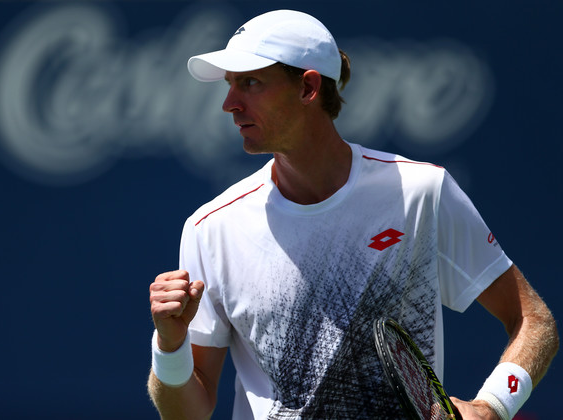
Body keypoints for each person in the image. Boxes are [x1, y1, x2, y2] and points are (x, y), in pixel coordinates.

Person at [147, 9, 558, 420]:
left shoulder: (421, 193)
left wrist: (493, 407)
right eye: (229, 85)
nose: (229, 104)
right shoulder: (211, 228)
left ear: (308, 87)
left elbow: (532, 319)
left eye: (250, 83)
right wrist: (169, 345)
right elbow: (186, 413)